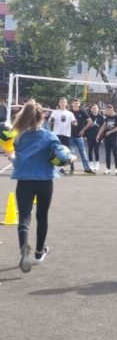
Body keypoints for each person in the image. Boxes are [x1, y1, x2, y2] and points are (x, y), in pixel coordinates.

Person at [9, 101, 75, 273]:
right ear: (43, 117)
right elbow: (61, 156)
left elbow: (17, 161)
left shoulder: (20, 137)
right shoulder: (49, 136)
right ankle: (39, 253)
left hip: (24, 181)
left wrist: (12, 158)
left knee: (24, 217)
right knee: (42, 216)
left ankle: (24, 247)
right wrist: (71, 157)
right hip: (44, 180)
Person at [48, 97, 75, 175]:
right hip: (57, 134)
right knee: (56, 151)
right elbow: (49, 122)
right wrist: (51, 121)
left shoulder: (70, 113)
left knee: (65, 151)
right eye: (61, 102)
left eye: (64, 102)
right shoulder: (55, 112)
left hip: (66, 134)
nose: (62, 103)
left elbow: (74, 122)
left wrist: (75, 123)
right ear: (59, 103)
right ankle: (57, 168)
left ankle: (61, 168)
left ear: (66, 104)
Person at [69, 98, 94, 175]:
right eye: (74, 103)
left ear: (79, 104)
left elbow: (90, 122)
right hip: (70, 136)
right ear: (72, 104)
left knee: (83, 153)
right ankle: (72, 169)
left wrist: (83, 130)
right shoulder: (69, 112)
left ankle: (86, 169)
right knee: (71, 153)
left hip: (79, 136)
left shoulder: (82, 112)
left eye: (77, 103)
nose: (76, 104)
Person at [96, 104, 117, 175]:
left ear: (111, 109)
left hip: (114, 136)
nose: (105, 111)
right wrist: (98, 134)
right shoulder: (107, 117)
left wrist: (110, 131)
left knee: (115, 152)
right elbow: (103, 126)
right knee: (107, 153)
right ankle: (108, 168)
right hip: (107, 137)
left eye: (106, 110)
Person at [86, 105, 103, 172]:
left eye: (95, 108)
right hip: (90, 136)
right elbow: (85, 126)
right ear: (91, 109)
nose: (94, 109)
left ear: (98, 109)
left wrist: (102, 137)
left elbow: (103, 127)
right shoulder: (88, 116)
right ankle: (91, 164)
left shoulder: (101, 117)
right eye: (93, 108)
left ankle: (97, 164)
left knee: (96, 150)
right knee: (90, 150)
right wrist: (85, 135)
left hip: (98, 136)